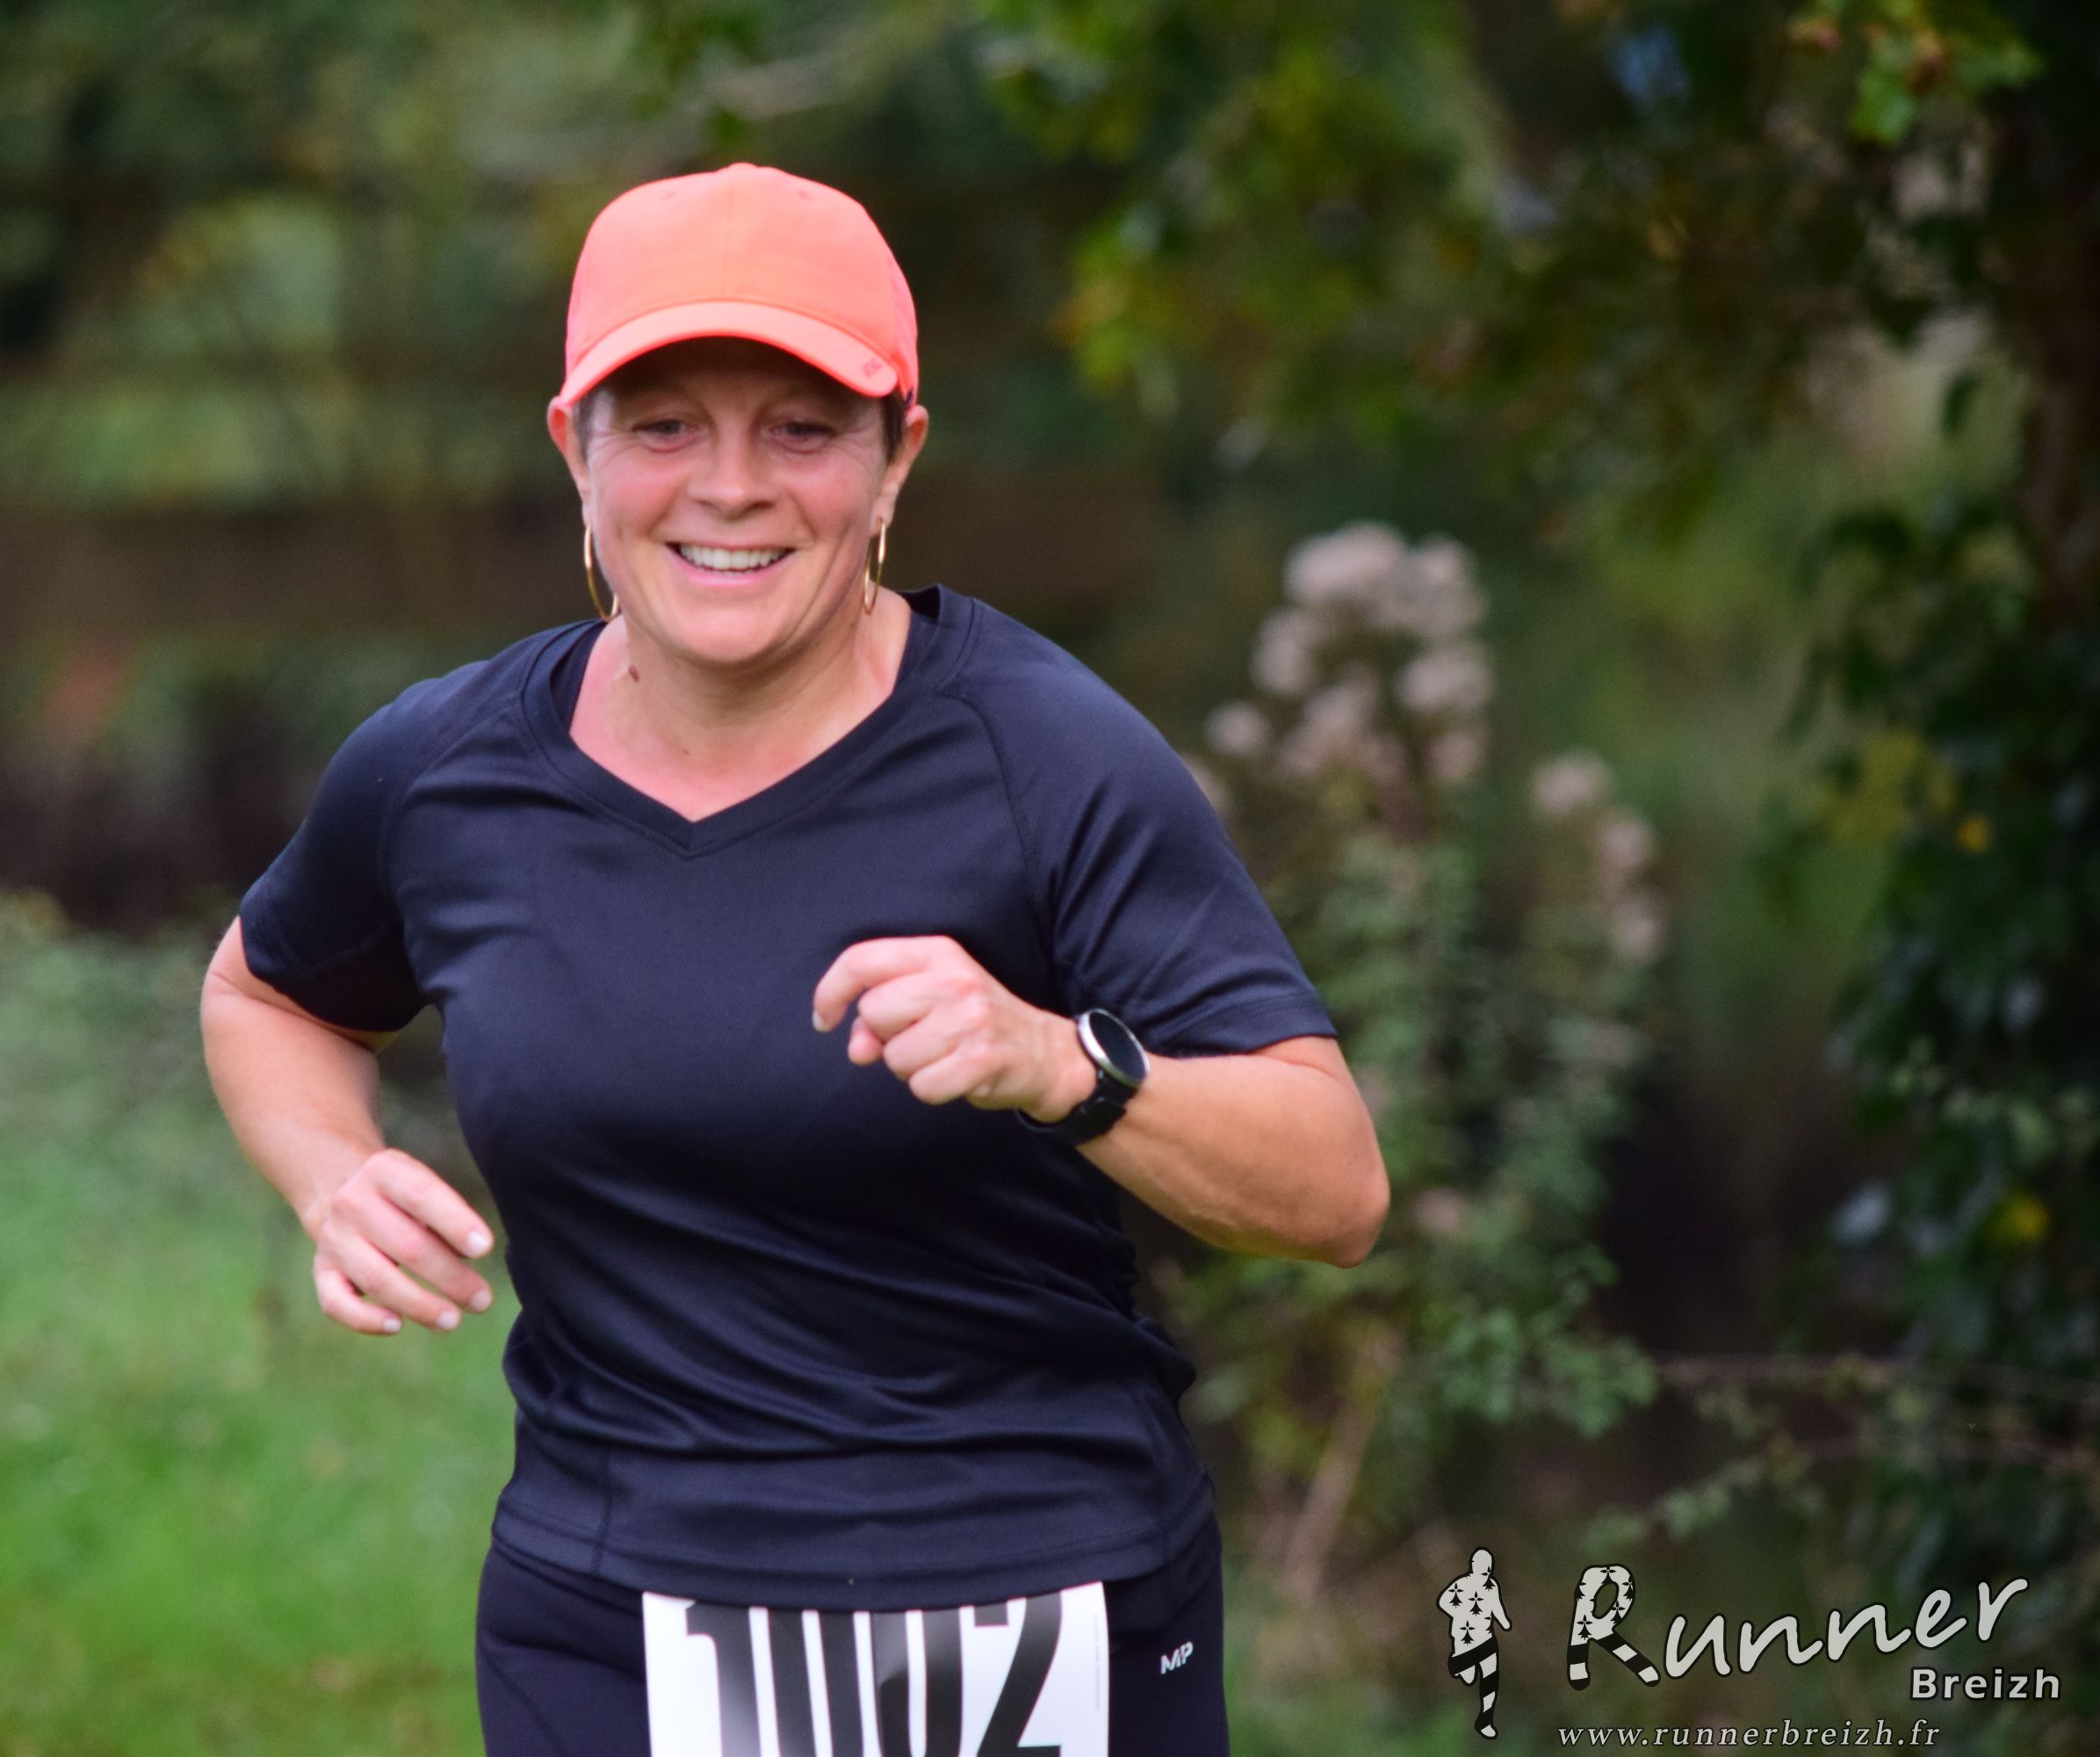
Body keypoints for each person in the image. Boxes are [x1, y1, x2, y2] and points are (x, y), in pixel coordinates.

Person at [198, 162, 1389, 1757]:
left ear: (899, 459)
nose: (731, 487)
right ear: (574, 451)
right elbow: (265, 992)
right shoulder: (445, 772)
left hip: (1040, 1612)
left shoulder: (1046, 756)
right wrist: (332, 1177)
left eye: (803, 430)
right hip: (615, 1620)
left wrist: (1061, 1063)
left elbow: (1332, 1188)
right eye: (664, 425)